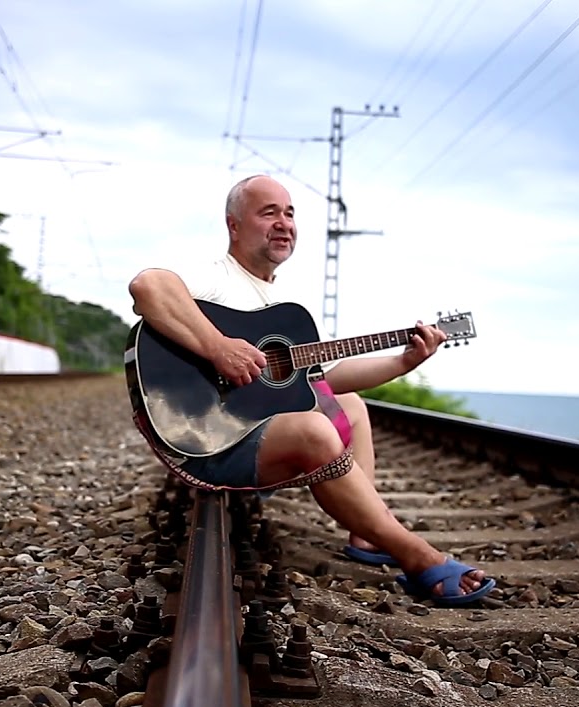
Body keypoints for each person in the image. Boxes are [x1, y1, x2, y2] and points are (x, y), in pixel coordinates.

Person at [127, 174, 494, 606]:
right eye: (268, 213)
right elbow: (147, 287)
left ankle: (367, 534)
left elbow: (328, 378)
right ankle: (416, 555)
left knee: (350, 406)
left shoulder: (285, 309)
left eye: (289, 213)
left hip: (250, 433)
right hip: (206, 441)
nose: (284, 223)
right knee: (316, 430)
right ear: (234, 225)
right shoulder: (216, 278)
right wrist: (219, 348)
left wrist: (404, 362)